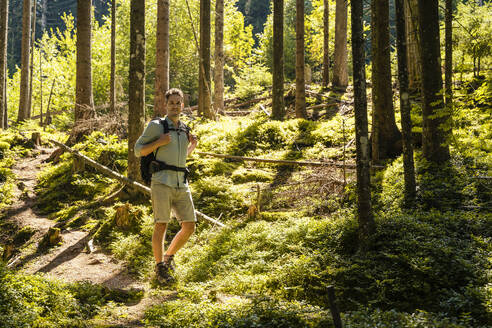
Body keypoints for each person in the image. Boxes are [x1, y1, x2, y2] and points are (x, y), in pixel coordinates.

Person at [134, 88, 198, 284]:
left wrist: (192, 147)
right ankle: (159, 267)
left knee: (189, 225)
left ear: (183, 105)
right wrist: (159, 142)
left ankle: (168, 258)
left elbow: (179, 158)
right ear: (165, 105)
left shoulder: (184, 128)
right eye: (171, 102)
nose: (175, 106)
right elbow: (138, 150)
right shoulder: (156, 126)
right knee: (161, 224)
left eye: (178, 103)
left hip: (181, 182)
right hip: (161, 181)